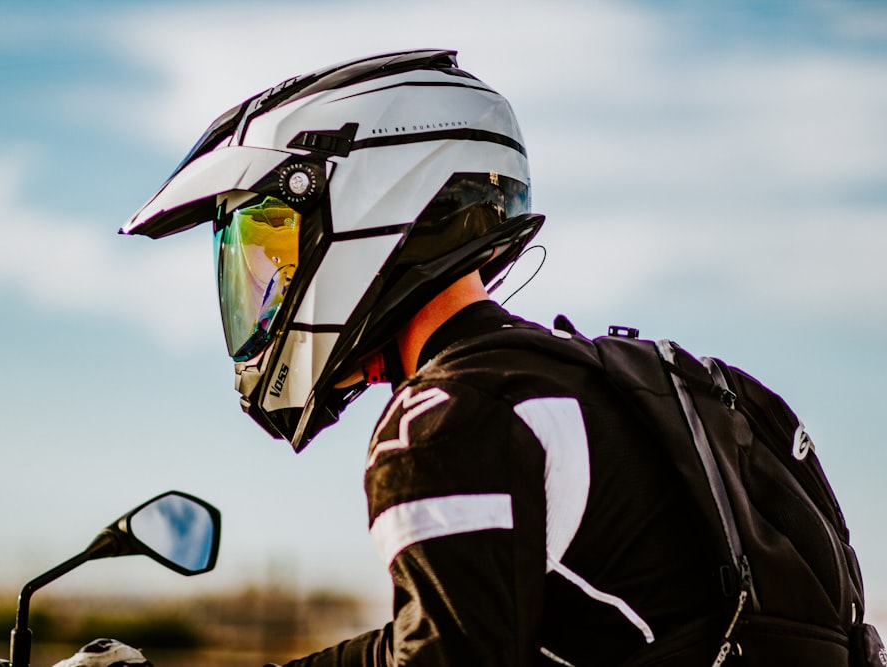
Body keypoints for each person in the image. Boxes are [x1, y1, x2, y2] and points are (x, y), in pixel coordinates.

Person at [121, 50, 727, 666]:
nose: (265, 297)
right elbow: (432, 642)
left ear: (372, 202)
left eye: (273, 249)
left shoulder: (447, 418)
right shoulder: (596, 392)